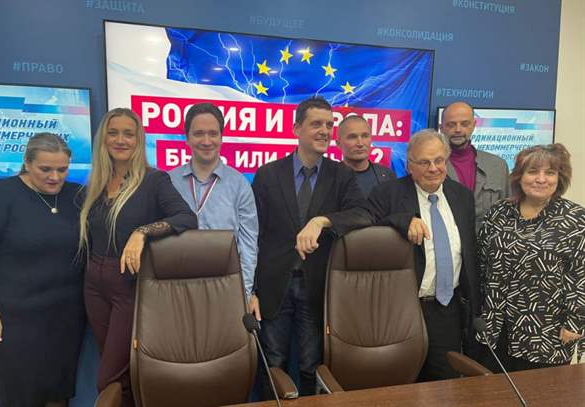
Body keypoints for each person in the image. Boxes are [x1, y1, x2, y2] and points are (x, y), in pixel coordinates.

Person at [325, 129, 479, 381]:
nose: (433, 168)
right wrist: (402, 219)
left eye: (438, 160)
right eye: (424, 162)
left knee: (443, 384)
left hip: (446, 309)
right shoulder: (389, 193)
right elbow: (366, 221)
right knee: (397, 383)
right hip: (400, 308)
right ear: (409, 165)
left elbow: (468, 252)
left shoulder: (462, 196)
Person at [79, 108, 197, 406]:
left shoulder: (154, 180)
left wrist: (142, 232)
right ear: (103, 138)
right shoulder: (96, 183)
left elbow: (187, 218)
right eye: (113, 133)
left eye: (128, 134)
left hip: (127, 286)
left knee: (107, 379)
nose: (120, 140)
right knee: (122, 374)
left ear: (138, 140)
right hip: (93, 285)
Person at [251, 97, 367, 396]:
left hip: (317, 287)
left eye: (329, 125)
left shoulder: (341, 175)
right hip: (274, 286)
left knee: (311, 365)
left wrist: (321, 221)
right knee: (273, 364)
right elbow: (254, 234)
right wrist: (251, 289)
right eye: (316, 124)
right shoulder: (268, 174)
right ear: (296, 129)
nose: (325, 131)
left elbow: (362, 214)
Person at [0, 133, 85, 407]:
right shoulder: (3, 193)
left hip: (64, 321)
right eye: (45, 169)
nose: (55, 177)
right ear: (27, 163)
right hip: (12, 322)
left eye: (62, 169)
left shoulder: (77, 195)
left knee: (58, 397)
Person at [476, 143, 584, 372]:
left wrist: (575, 321)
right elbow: (481, 264)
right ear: (519, 177)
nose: (541, 179)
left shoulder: (575, 219)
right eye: (532, 171)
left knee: (540, 391)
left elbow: (580, 276)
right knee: (494, 389)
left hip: (546, 332)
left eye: (550, 173)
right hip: (496, 327)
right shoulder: (498, 213)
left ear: (559, 178)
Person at [169, 102, 259, 305]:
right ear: (187, 138)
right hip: (176, 285)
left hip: (224, 285)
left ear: (221, 137)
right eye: (199, 134)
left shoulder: (240, 185)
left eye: (213, 134)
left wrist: (243, 294)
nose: (207, 141)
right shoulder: (168, 182)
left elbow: (248, 246)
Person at [440, 101, 510, 231]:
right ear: (441, 128)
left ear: (474, 125)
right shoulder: (430, 167)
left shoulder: (498, 166)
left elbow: (508, 213)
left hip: (488, 241)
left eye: (465, 124)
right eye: (451, 124)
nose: (458, 130)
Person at [335, 115, 395, 197]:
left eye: (365, 136)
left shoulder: (387, 175)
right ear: (338, 144)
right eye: (352, 137)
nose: (360, 143)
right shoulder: (329, 177)